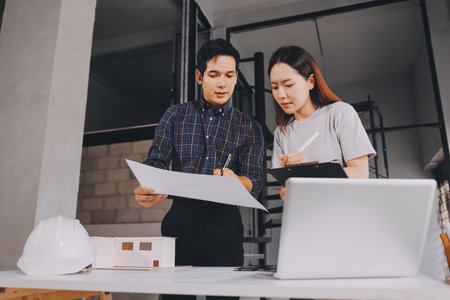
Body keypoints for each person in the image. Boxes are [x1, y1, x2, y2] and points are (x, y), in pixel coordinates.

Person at [134, 39, 264, 300]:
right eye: (214, 75)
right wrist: (146, 189)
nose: (222, 83)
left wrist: (236, 180)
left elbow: (255, 182)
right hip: (180, 222)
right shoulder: (175, 115)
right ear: (199, 76)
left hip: (224, 227)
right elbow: (156, 163)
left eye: (229, 75)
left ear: (237, 77)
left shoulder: (249, 127)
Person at [268, 45, 376, 199]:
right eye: (274, 87)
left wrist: (310, 172)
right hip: (305, 215)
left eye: (289, 85)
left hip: (343, 214)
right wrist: (286, 192)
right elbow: (286, 189)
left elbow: (360, 173)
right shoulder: (282, 132)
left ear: (310, 82)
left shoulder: (340, 113)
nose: (281, 94)